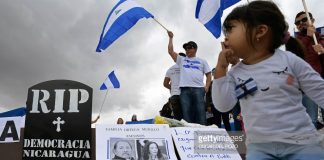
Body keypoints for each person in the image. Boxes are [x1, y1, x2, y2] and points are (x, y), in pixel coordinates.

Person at [212, 1, 324, 159]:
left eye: (230, 30)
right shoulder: (234, 73)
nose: (226, 38)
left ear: (260, 31)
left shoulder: (289, 60)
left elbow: (320, 90)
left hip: (303, 141)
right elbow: (223, 106)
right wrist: (221, 69)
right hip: (259, 148)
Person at [167, 31, 212, 125]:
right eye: (186, 48)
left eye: (189, 48)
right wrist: (171, 38)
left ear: (195, 49)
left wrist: (207, 86)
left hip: (199, 89)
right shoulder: (182, 60)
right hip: (184, 90)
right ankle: (189, 136)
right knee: (187, 115)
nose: (187, 50)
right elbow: (170, 51)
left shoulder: (202, 61)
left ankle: (202, 135)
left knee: (200, 113)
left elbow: (208, 74)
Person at [295, 11, 324, 129]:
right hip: (306, 84)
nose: (301, 23)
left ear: (312, 20)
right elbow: (295, 54)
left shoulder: (321, 37)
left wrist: (323, 52)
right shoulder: (295, 42)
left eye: (304, 20)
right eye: (297, 22)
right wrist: (307, 37)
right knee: (310, 121)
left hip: (322, 81)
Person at [163, 52, 186, 121]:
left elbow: (165, 83)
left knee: (177, 117)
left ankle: (178, 131)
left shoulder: (170, 69)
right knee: (187, 117)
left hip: (174, 95)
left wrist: (173, 88)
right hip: (186, 94)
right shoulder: (187, 68)